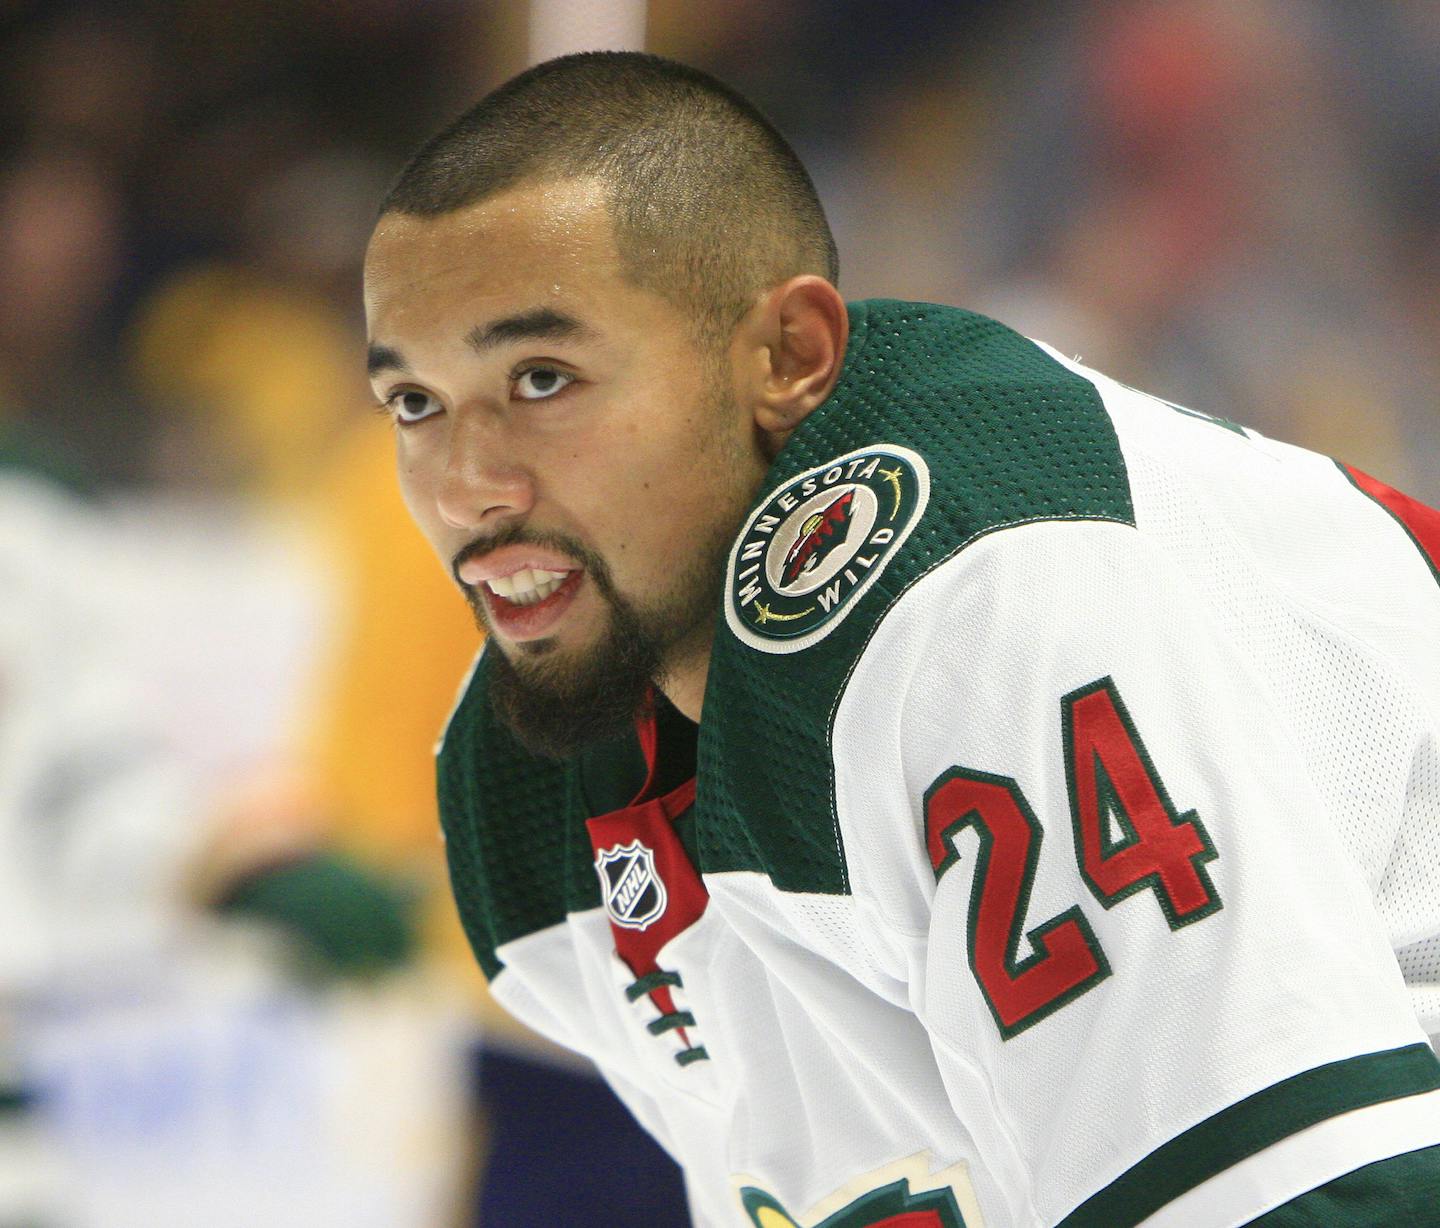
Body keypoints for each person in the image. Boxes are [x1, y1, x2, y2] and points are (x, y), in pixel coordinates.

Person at [362, 52, 1440, 1228]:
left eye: (542, 377)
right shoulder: (532, 787)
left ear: (788, 356)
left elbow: (1323, 1199)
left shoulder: (979, 591)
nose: (466, 484)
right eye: (415, 401)